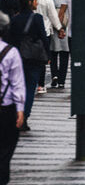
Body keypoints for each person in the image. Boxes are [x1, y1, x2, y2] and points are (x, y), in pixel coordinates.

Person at [9, 0, 45, 130]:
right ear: (30, 2)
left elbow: (10, 39)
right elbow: (43, 37)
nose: (37, 3)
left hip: (18, 57)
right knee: (30, 88)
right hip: (33, 58)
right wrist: (46, 55)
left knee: (17, 87)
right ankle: (24, 117)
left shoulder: (15, 19)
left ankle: (16, 115)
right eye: (35, 1)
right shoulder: (37, 18)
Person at [0, 12, 25, 183]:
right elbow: (17, 83)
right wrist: (20, 109)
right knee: (6, 147)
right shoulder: (11, 52)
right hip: (6, 106)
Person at [47, 0, 70, 89]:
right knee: (64, 54)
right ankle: (62, 80)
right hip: (66, 27)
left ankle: (54, 75)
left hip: (53, 26)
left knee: (53, 53)